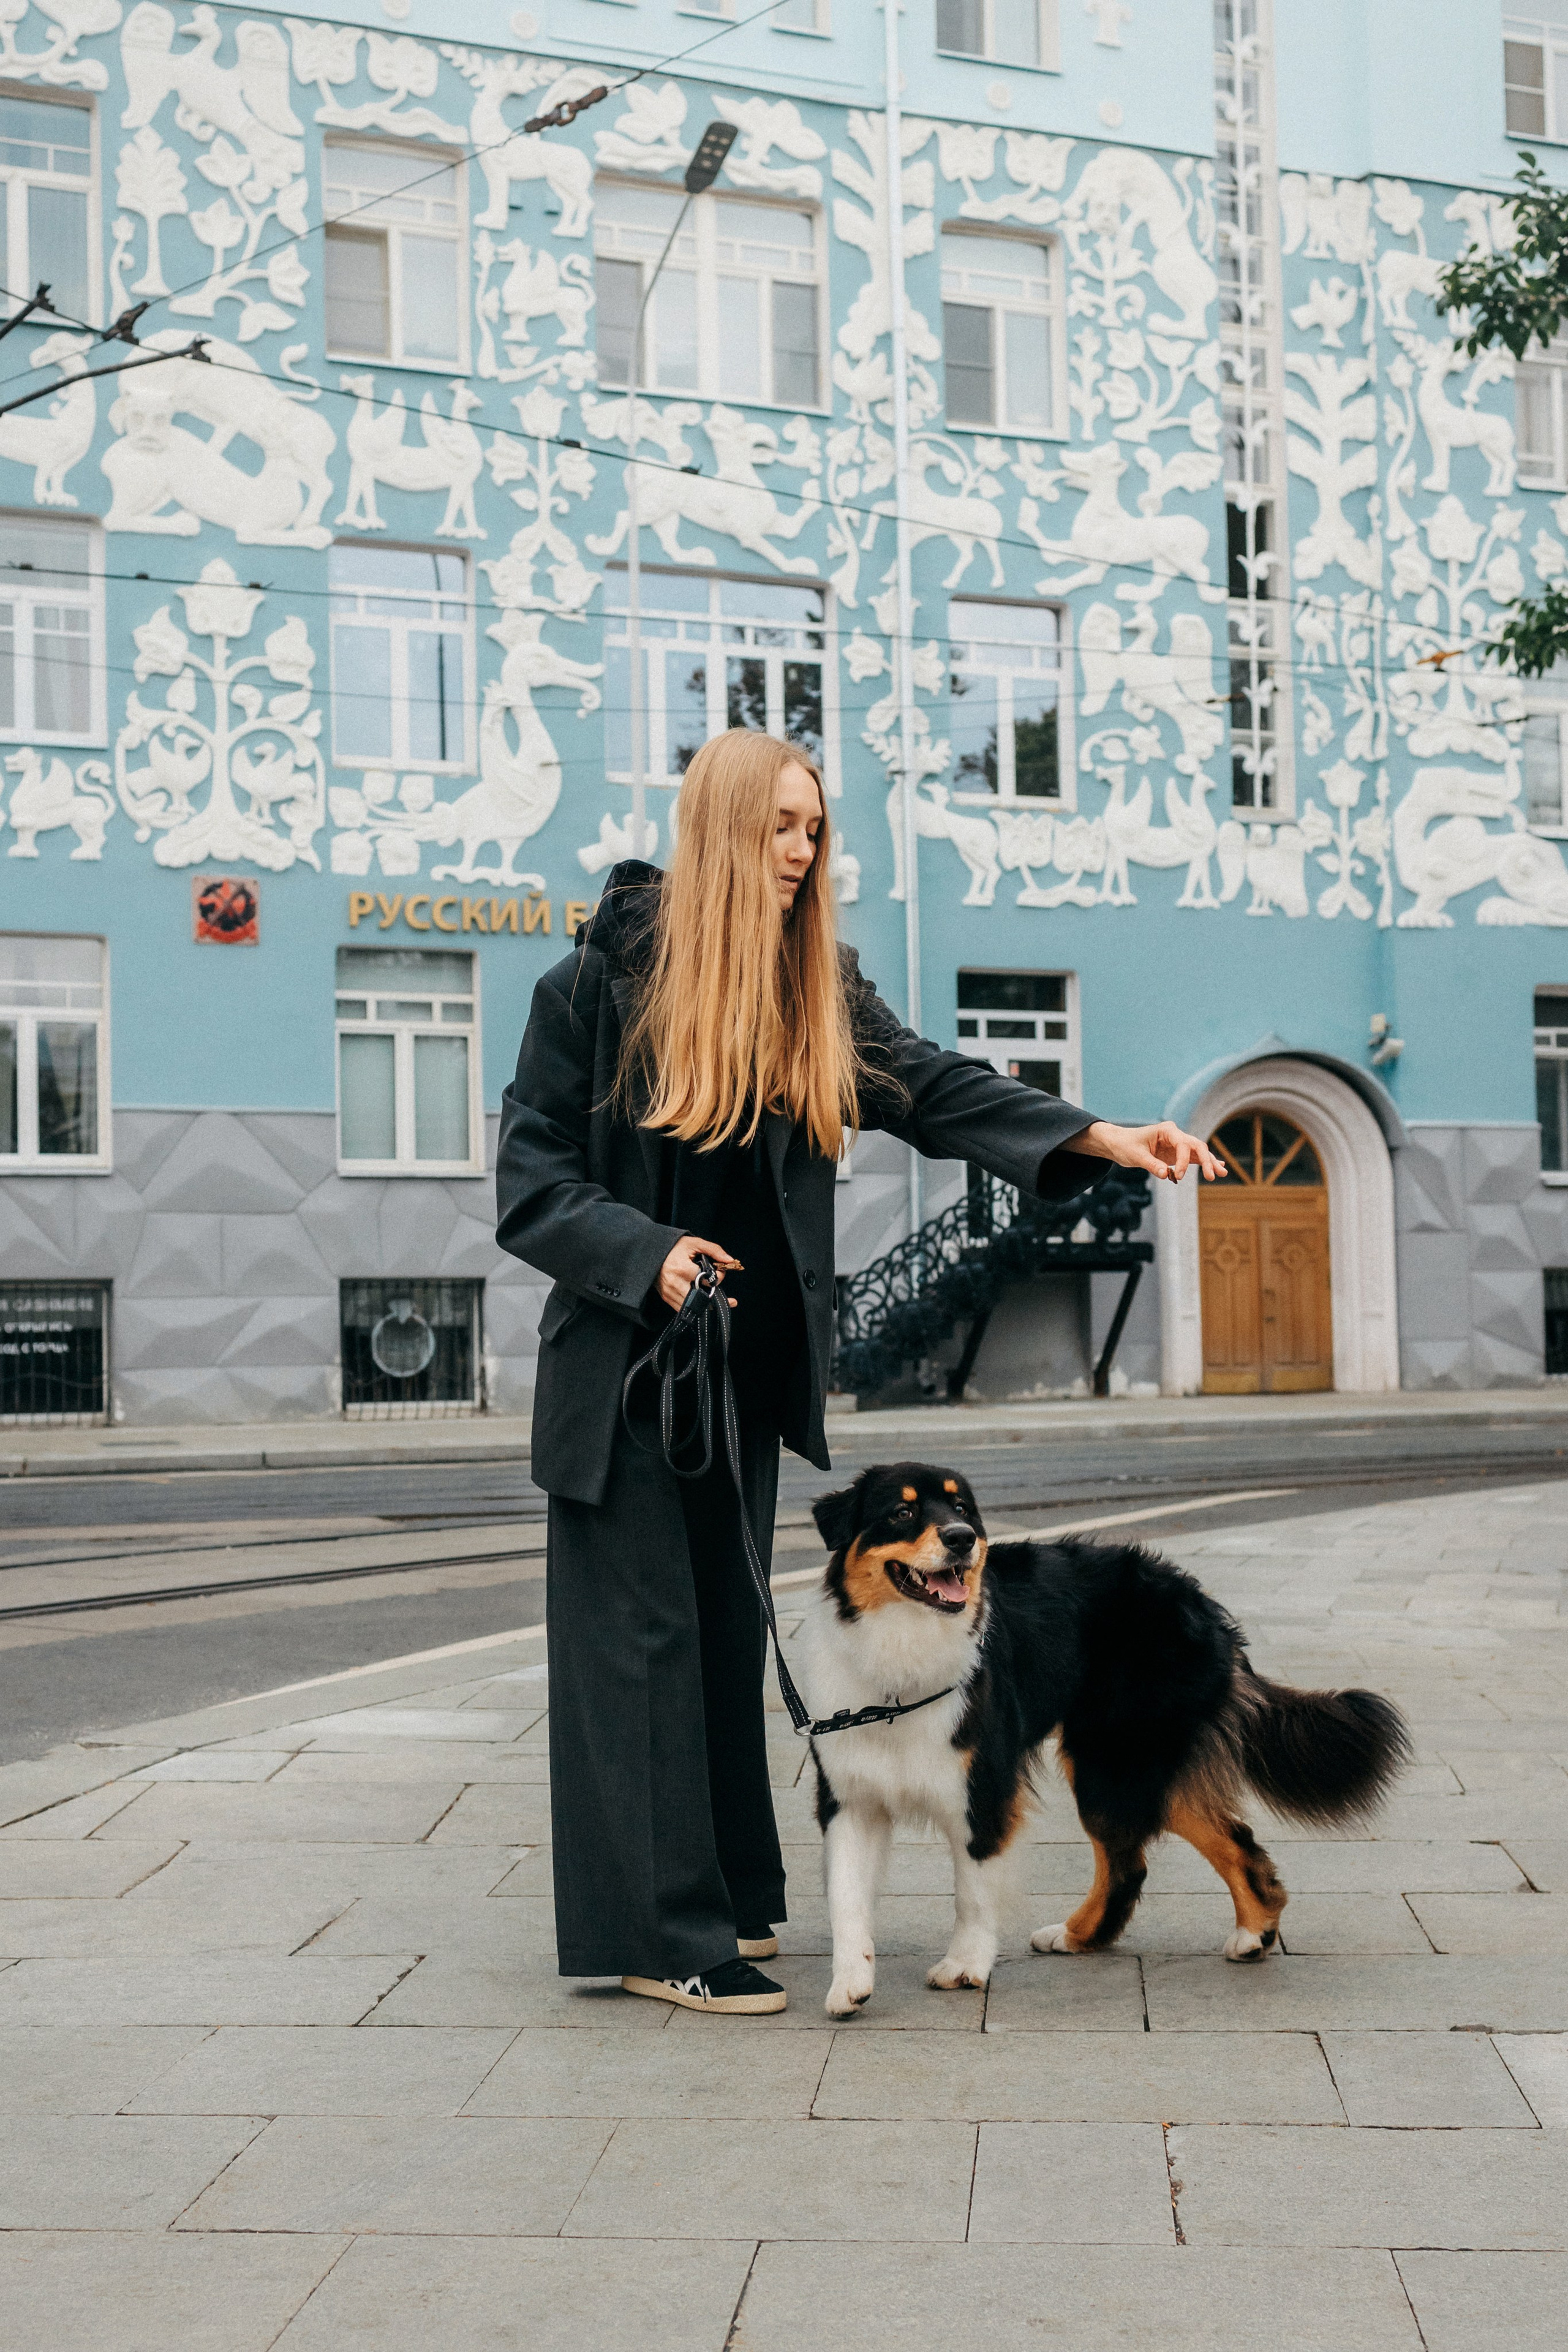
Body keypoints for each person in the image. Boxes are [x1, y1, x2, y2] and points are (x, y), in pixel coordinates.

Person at [495, 729, 1223, 2015]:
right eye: (779, 826)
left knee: (722, 1633)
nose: (800, 850)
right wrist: (650, 1253)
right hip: (622, 1376)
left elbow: (935, 1087)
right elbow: (531, 1184)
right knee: (643, 1648)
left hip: (737, 1376)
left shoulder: (808, 985)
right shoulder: (592, 989)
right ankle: (660, 1934)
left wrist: (1100, 1135)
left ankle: (718, 1892)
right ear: (721, 829)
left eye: (814, 829)